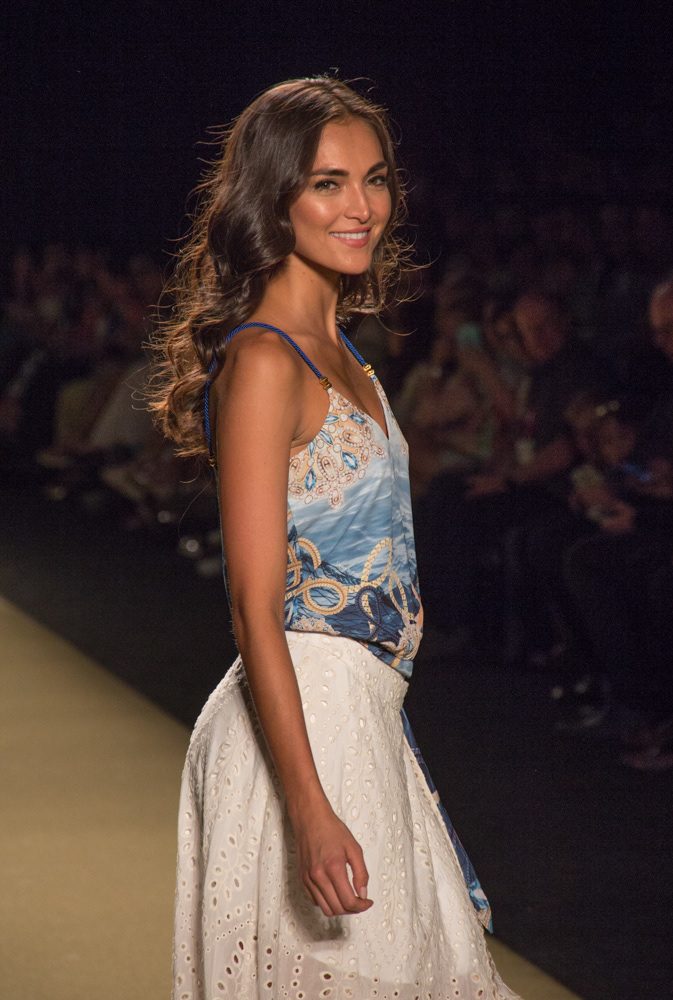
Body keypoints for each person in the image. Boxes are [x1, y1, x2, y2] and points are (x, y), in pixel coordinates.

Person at [151, 78, 521, 999]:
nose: (361, 206)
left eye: (375, 178)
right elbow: (253, 604)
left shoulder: (344, 352)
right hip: (308, 725)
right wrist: (309, 808)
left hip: (364, 717)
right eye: (327, 183)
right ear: (273, 198)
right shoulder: (264, 359)